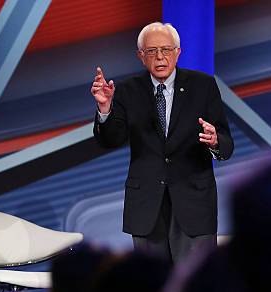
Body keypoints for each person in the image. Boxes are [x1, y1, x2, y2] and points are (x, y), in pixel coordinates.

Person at [91, 22, 234, 263]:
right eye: (151, 51)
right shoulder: (127, 91)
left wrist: (214, 141)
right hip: (147, 207)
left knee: (196, 287)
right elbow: (111, 140)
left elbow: (226, 145)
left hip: (193, 205)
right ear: (141, 56)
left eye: (166, 50)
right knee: (152, 291)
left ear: (178, 52)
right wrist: (105, 109)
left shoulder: (203, 86)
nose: (160, 57)